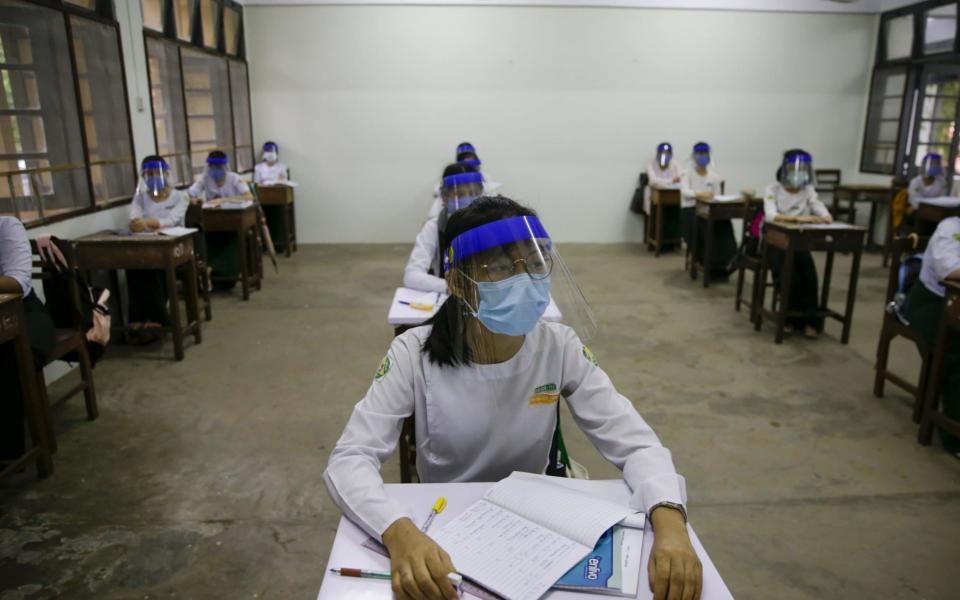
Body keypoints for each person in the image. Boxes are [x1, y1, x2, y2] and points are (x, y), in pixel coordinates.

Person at [325, 196, 701, 600]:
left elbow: (635, 440)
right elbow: (350, 459)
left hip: (536, 522)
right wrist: (398, 533)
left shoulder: (558, 346)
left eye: (535, 264)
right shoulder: (412, 355)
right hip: (447, 518)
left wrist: (670, 521)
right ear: (457, 284)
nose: (525, 278)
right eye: (501, 267)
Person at [903, 216, 960, 457]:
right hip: (932, 302)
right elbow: (950, 269)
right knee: (954, 355)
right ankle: (952, 432)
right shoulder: (950, 228)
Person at [763, 149, 833, 339]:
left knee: (809, 277)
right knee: (787, 276)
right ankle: (788, 318)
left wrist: (825, 217)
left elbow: (817, 205)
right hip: (776, 241)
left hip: (799, 242)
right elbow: (771, 215)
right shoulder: (773, 189)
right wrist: (800, 219)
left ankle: (811, 320)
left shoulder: (807, 189)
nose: (798, 172)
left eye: (803, 169)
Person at [0, 216, 55, 462]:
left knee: (9, 357)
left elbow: (19, 283)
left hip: (25, 314)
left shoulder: (7, 226)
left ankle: (10, 454)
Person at [127, 156, 190, 338]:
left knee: (154, 270)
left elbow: (172, 221)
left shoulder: (180, 196)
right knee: (134, 269)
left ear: (166, 174)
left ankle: (160, 319)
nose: (153, 177)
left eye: (157, 173)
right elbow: (134, 219)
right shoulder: (140, 197)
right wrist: (140, 224)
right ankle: (137, 319)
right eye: (149, 174)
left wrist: (147, 222)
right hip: (147, 248)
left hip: (175, 251)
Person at [404, 163, 483, 294]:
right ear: (445, 198)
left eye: (473, 193)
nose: (468, 199)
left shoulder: (492, 224)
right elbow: (412, 275)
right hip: (450, 296)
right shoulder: (434, 228)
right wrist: (450, 286)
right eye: (459, 195)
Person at [188, 151, 254, 288]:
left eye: (218, 167)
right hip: (213, 223)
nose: (215, 170)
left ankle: (213, 270)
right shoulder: (205, 179)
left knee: (234, 240)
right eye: (212, 167)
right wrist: (194, 199)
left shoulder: (234, 178)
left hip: (235, 223)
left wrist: (224, 199)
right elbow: (189, 194)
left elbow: (248, 197)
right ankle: (208, 274)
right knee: (205, 240)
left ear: (225, 167)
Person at [680, 142, 735, 281]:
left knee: (724, 225)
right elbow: (685, 192)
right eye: (700, 153)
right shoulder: (687, 173)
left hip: (709, 209)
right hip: (691, 209)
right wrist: (700, 194)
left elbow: (716, 196)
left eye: (705, 153)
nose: (703, 156)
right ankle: (705, 262)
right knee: (701, 227)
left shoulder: (714, 177)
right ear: (694, 156)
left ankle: (723, 264)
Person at [645, 142, 683, 243]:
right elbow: (653, 181)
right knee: (657, 211)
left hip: (671, 194)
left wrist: (672, 181)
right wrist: (671, 180)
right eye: (662, 153)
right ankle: (655, 238)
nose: (664, 155)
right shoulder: (651, 164)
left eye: (667, 153)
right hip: (653, 194)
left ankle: (672, 240)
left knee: (675, 211)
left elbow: (681, 178)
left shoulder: (675, 163)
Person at [905, 153, 948, 230]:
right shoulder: (915, 182)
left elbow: (942, 199)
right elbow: (914, 201)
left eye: (937, 164)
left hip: (935, 212)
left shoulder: (941, 182)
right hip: (917, 212)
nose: (935, 166)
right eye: (933, 164)